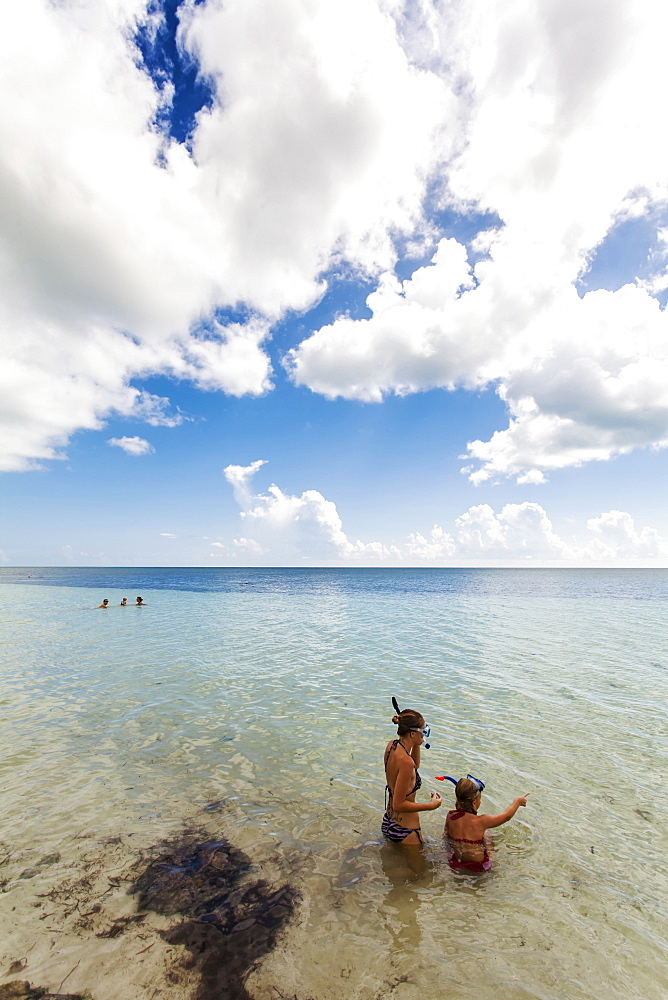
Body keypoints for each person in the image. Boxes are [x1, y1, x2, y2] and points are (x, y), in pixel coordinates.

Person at [382, 707, 442, 845]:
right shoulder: (406, 763)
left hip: (389, 821)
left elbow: (415, 765)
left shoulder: (392, 746)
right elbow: (399, 804)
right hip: (406, 829)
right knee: (419, 867)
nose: (424, 733)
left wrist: (417, 743)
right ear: (412, 734)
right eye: (422, 730)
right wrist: (430, 806)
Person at [444, 776, 529, 872]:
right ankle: (493, 857)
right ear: (474, 803)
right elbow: (506, 816)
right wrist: (517, 801)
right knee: (487, 833)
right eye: (480, 800)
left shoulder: (450, 816)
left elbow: (447, 836)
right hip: (479, 866)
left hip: (457, 862)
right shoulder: (481, 821)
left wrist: (449, 853)